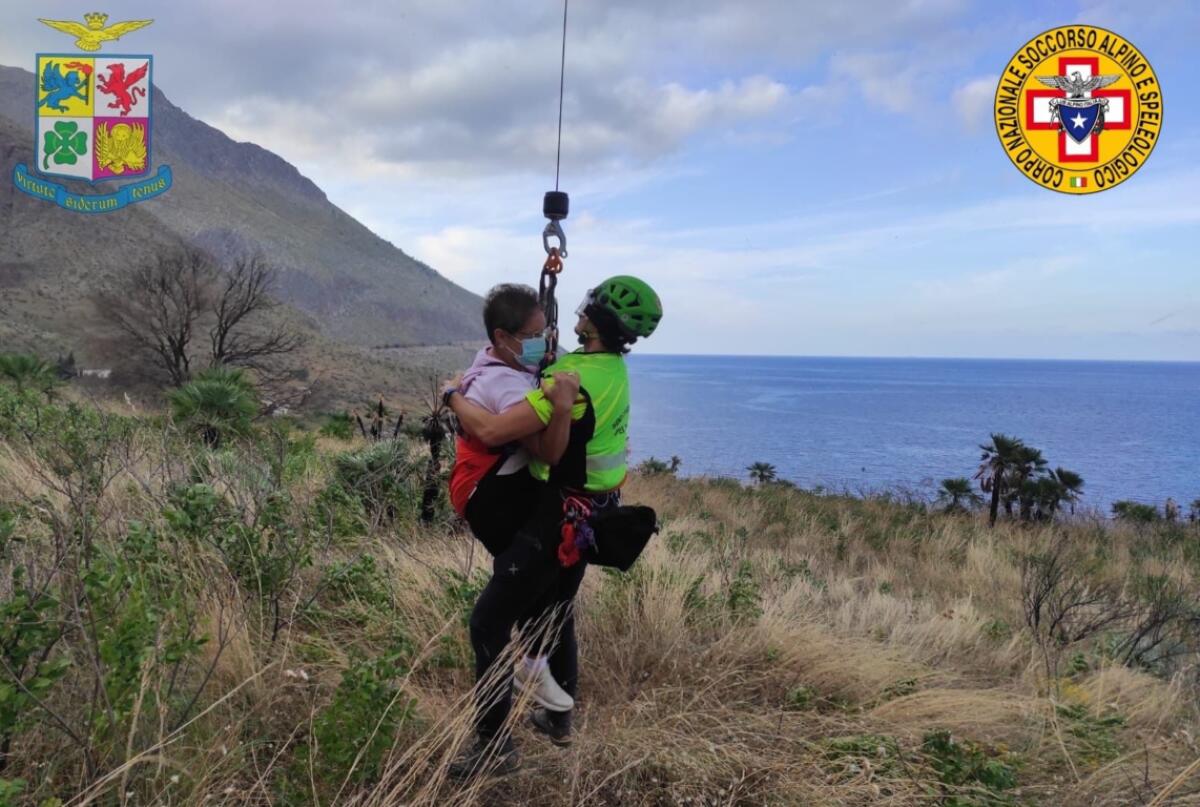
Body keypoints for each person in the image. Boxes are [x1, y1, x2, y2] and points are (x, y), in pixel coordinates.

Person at [446, 275, 663, 779]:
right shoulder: (614, 370)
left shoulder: (570, 375)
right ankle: (559, 718)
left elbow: (498, 430)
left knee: (489, 622)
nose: (577, 313)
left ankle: (493, 748)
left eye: (587, 306)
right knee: (554, 611)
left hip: (558, 512)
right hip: (597, 509)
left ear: (595, 319)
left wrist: (454, 396)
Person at [446, 284, 583, 715]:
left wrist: (452, 395)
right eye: (535, 334)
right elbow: (546, 451)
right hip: (493, 495)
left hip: (489, 487)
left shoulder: (490, 360)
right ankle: (529, 675)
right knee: (521, 592)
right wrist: (561, 408)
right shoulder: (506, 385)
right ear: (504, 338)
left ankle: (543, 690)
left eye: (548, 332)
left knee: (541, 588)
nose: (546, 342)